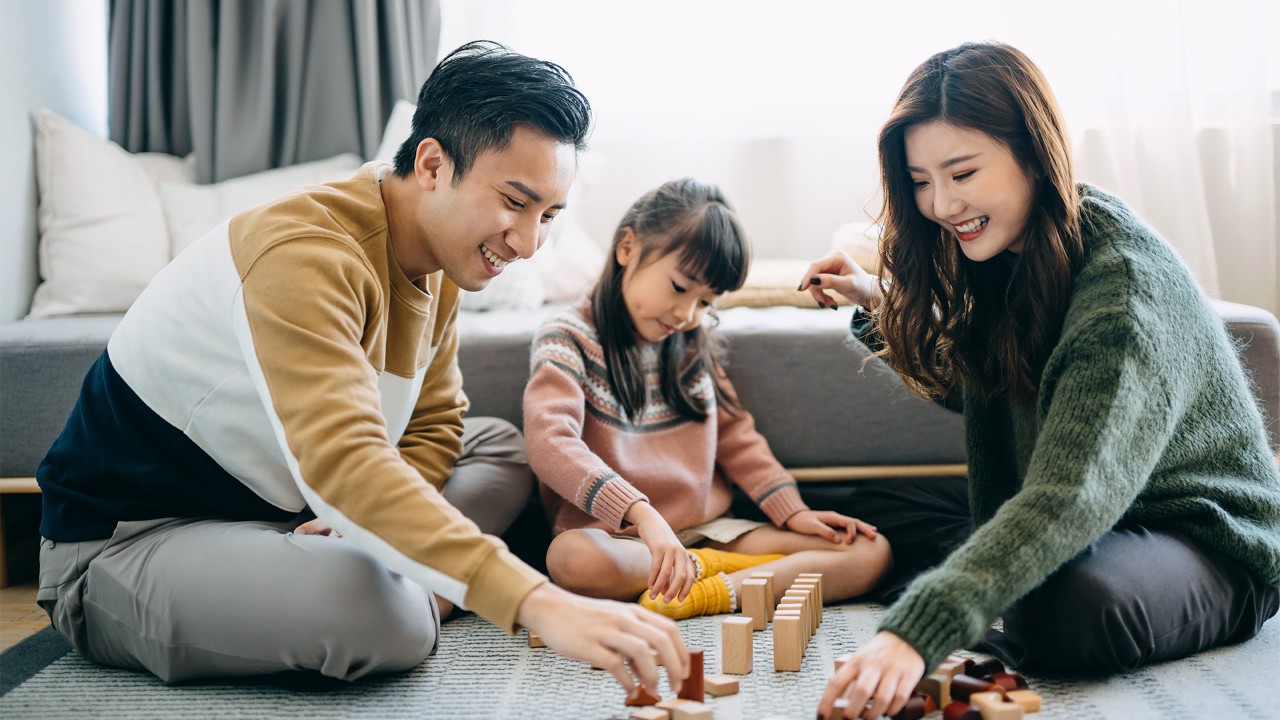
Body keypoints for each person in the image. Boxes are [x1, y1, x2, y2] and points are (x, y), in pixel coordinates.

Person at [35, 41, 689, 696]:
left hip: (282, 514)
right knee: (387, 619)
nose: (527, 243)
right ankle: (406, 589)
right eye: (515, 202)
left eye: (547, 215)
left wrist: (355, 520)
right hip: (130, 544)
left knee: (501, 447)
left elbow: (434, 424)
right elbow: (345, 461)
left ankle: (389, 564)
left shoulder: (440, 260)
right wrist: (539, 602)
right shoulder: (304, 253)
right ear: (432, 163)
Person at [803, 41, 1280, 720]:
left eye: (962, 172)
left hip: (1202, 542)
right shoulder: (1011, 252)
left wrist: (914, 633)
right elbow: (978, 384)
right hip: (1091, 520)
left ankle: (988, 592)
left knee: (1068, 609)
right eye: (919, 180)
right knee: (875, 505)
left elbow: (1071, 494)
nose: (940, 203)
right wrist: (873, 302)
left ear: (1033, 152)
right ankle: (994, 584)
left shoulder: (1122, 293)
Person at [523, 178, 893, 620]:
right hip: (621, 538)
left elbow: (738, 437)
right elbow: (550, 444)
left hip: (711, 534)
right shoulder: (567, 337)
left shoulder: (692, 343)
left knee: (871, 551)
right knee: (572, 560)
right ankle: (721, 577)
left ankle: (707, 586)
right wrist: (642, 516)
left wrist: (792, 512)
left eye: (705, 303)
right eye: (680, 288)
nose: (686, 315)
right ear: (627, 248)